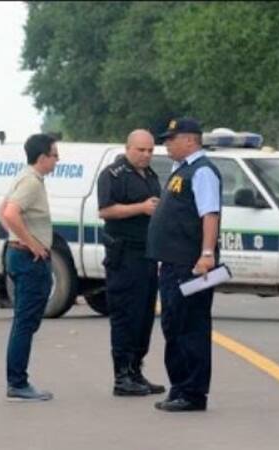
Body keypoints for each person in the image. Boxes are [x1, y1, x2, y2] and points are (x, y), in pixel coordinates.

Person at [147, 118, 221, 412]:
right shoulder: (182, 170)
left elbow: (209, 214)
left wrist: (206, 254)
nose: (167, 143)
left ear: (190, 140)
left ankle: (193, 393)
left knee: (191, 327)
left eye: (172, 138)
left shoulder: (202, 172)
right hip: (172, 264)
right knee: (174, 325)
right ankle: (179, 388)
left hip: (191, 266)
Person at [97, 129, 164, 397]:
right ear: (128, 148)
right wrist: (140, 208)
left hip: (147, 255)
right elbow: (105, 210)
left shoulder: (151, 176)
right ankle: (122, 376)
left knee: (144, 316)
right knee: (125, 316)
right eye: (141, 150)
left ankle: (136, 370)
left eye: (150, 150)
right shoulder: (113, 175)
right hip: (123, 256)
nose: (146, 155)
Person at [0, 133, 59, 402]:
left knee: (25, 321)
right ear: (43, 157)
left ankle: (17, 380)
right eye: (55, 155)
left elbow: (2, 211)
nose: (57, 160)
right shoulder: (31, 181)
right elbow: (9, 214)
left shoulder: (25, 178)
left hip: (18, 255)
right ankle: (18, 382)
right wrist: (31, 243)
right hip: (28, 259)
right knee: (25, 322)